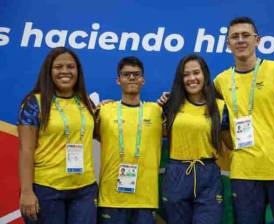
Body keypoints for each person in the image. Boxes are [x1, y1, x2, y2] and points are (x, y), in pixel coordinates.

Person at [214, 16, 274, 223]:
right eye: (234, 37)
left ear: (257, 40)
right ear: (227, 44)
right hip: (244, 173)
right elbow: (210, 118)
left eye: (245, 35)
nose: (240, 40)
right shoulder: (220, 82)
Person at [17, 47, 97, 224]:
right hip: (47, 189)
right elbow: (26, 150)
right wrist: (27, 192)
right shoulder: (34, 103)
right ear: (49, 71)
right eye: (58, 67)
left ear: (78, 71)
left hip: (84, 190)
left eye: (71, 67)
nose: (65, 71)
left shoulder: (87, 102)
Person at [162, 54, 232, 224]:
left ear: (205, 75)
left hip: (208, 175)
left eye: (196, 73)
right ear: (180, 78)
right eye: (186, 74)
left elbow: (230, 143)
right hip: (177, 174)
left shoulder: (220, 107)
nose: (192, 78)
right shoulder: (170, 104)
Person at [96, 56, 163, 224]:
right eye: (126, 74)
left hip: (145, 198)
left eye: (136, 74)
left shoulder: (157, 110)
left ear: (143, 80)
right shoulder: (104, 110)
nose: (132, 78)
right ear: (118, 80)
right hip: (111, 197)